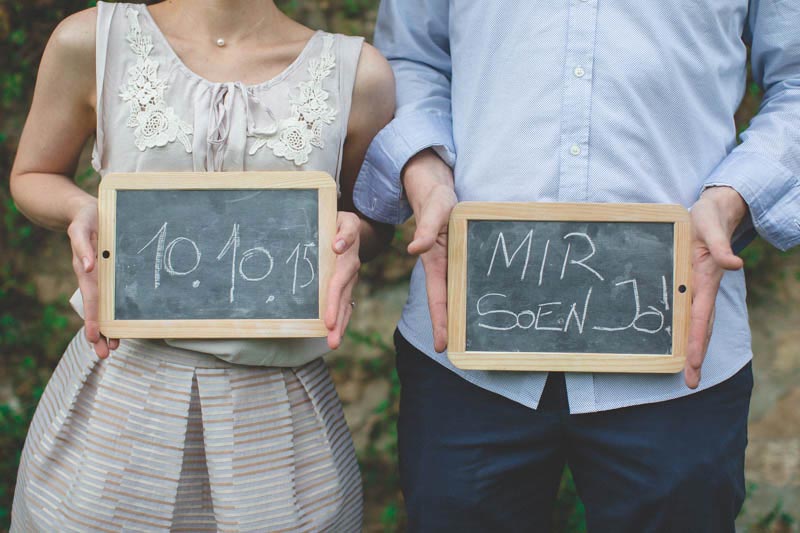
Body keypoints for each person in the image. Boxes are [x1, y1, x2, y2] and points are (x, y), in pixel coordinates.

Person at [354, 1, 799, 531]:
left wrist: (733, 198)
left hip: (680, 354)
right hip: (466, 347)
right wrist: (425, 171)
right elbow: (412, 58)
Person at [9, 0, 394, 530]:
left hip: (277, 415)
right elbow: (32, 173)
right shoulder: (92, 40)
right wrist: (83, 209)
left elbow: (368, 221)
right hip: (119, 397)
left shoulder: (359, 74)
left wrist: (358, 234)